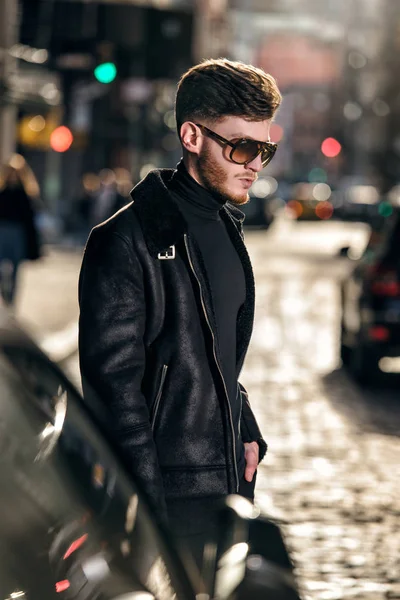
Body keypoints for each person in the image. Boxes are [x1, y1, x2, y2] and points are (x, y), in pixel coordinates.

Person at [78, 58, 282, 564]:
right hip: (169, 503)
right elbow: (115, 397)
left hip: (229, 487)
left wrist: (244, 427)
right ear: (192, 136)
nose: (254, 164)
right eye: (242, 147)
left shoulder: (228, 230)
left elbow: (212, 354)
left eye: (265, 150)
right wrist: (146, 521)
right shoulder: (124, 242)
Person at [0, 163, 41, 305]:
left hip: (17, 233)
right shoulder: (2, 192)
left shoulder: (25, 195)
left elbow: (30, 219)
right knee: (2, 265)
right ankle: (4, 292)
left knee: (16, 267)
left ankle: (11, 297)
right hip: (3, 231)